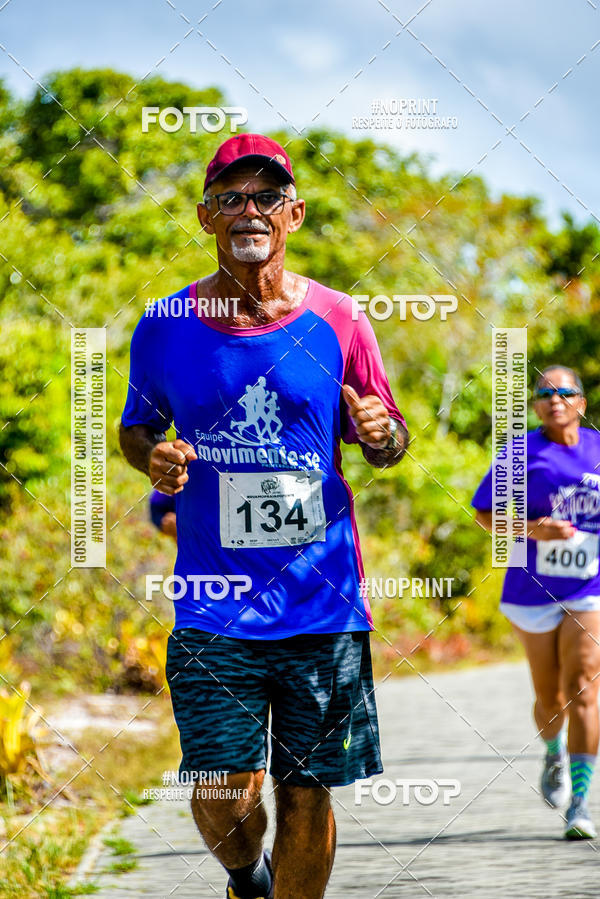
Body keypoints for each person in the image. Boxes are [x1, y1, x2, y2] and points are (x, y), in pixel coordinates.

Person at [119, 133, 408, 899]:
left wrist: (382, 434)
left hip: (324, 603)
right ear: (206, 217)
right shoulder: (166, 323)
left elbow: (387, 436)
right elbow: (135, 426)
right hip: (214, 605)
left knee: (308, 789)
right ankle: (249, 877)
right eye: (229, 197)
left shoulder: (342, 319)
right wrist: (150, 456)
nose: (249, 210)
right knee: (222, 782)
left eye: (266, 196)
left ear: (295, 213)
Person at [472, 365, 600, 840]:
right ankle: (554, 750)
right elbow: (484, 514)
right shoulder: (520, 452)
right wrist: (533, 528)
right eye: (545, 393)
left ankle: (581, 804)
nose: (555, 399)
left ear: (581, 403)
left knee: (585, 685)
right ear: (536, 405)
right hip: (532, 589)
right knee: (551, 696)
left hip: (589, 586)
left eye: (566, 392)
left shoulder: (598, 450)